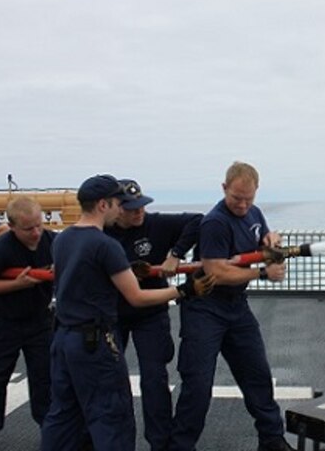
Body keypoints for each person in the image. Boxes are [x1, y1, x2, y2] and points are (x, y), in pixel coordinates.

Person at [40, 174, 214, 451]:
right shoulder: (105, 244)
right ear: (103, 205)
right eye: (118, 204)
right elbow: (136, 296)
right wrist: (185, 290)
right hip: (96, 338)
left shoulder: (62, 241)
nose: (123, 209)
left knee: (62, 413)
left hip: (64, 336)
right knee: (111, 415)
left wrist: (175, 253)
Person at [169, 162, 294, 451]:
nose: (242, 204)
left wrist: (271, 240)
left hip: (237, 307)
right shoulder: (215, 222)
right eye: (237, 197)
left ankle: (272, 440)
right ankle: (180, 446)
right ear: (224, 188)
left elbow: (264, 238)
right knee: (197, 386)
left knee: (258, 375)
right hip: (205, 307)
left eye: (249, 198)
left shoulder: (254, 213)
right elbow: (216, 272)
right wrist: (262, 273)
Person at [104, 179, 203, 451]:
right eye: (132, 208)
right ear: (115, 208)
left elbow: (197, 220)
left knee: (154, 379)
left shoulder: (156, 224)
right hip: (114, 314)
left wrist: (175, 253)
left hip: (151, 313)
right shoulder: (101, 233)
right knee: (111, 379)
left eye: (142, 206)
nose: (139, 213)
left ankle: (159, 444)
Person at [0, 197, 55, 451]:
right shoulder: (0, 249)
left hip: (40, 319)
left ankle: (52, 430)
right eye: (27, 229)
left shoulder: (53, 242)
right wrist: (17, 284)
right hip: (2, 322)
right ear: (11, 226)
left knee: (46, 378)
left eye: (38, 225)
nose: (35, 233)